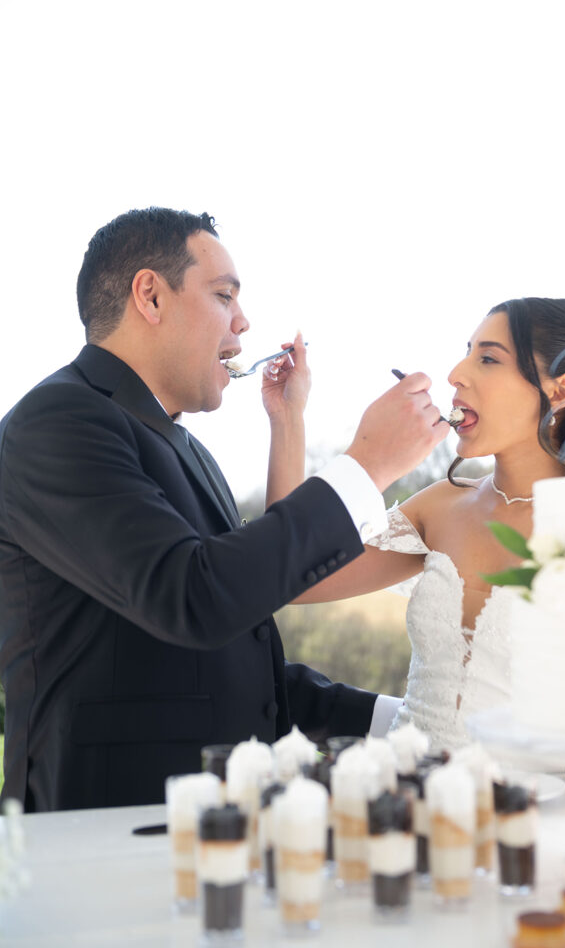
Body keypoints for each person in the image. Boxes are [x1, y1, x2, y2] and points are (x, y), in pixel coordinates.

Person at [0, 207, 449, 812]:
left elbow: (234, 652)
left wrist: (401, 720)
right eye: (223, 295)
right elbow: (195, 598)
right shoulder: (57, 424)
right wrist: (367, 466)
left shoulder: (186, 447)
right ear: (150, 296)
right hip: (106, 826)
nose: (244, 321)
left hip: (206, 827)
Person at [285, 297, 565, 754]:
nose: (455, 374)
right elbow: (291, 573)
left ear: (560, 391)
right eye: (467, 352)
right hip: (412, 797)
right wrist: (289, 417)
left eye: (487, 358)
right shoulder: (444, 505)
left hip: (534, 808)